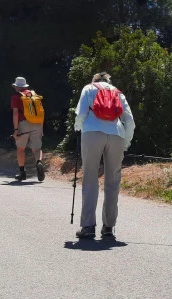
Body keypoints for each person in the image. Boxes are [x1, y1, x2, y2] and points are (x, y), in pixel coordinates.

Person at [73, 72, 135, 239]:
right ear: (108, 81)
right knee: (113, 182)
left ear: (94, 80)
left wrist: (78, 128)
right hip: (117, 134)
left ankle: (88, 226)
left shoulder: (89, 88)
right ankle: (108, 227)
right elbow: (130, 121)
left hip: (92, 132)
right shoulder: (118, 92)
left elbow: (81, 114)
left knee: (90, 179)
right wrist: (126, 142)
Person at [10, 76, 45, 182]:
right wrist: (41, 127)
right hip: (37, 123)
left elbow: (15, 114)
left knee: (21, 148)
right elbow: (42, 111)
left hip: (24, 124)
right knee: (37, 148)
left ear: (16, 87)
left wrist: (16, 130)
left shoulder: (16, 97)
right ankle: (39, 162)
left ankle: (22, 173)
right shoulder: (33, 95)